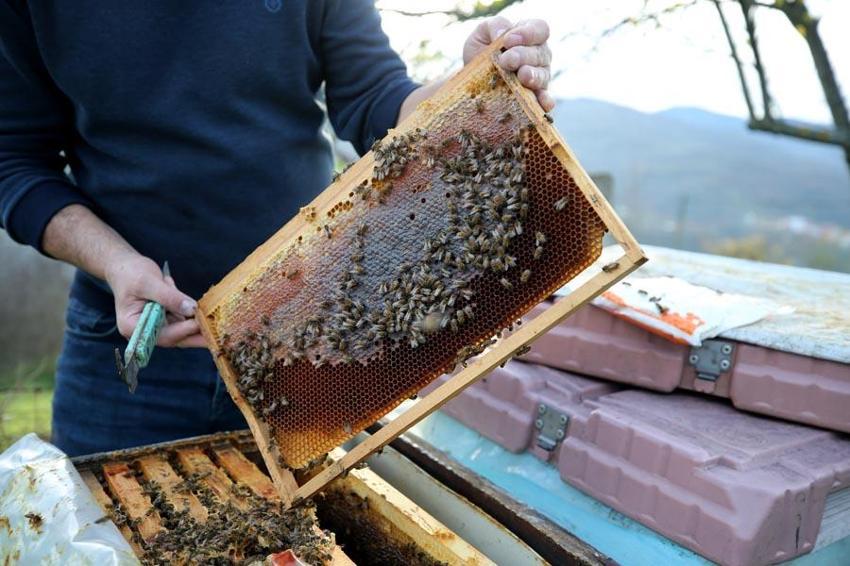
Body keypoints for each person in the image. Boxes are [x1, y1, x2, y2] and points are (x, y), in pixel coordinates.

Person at [0, 2, 553, 456]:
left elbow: (374, 97)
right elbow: (15, 162)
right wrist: (116, 262)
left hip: (317, 343)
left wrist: (472, 86)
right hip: (130, 361)